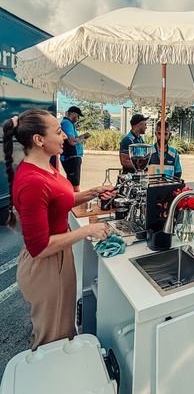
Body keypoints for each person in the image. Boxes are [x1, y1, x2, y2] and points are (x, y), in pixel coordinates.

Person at [3, 109, 115, 350]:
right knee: (51, 340)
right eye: (58, 131)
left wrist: (92, 192)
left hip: (59, 257)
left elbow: (60, 201)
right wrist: (86, 232)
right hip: (46, 266)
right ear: (39, 140)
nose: (65, 136)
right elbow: (39, 247)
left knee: (62, 329)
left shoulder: (47, 167)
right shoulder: (33, 181)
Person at [60, 106, 90, 192]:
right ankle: (74, 202)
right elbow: (72, 141)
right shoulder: (67, 123)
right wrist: (83, 136)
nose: (78, 118)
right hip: (71, 157)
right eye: (78, 116)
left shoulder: (69, 124)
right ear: (72, 114)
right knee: (74, 185)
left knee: (73, 183)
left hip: (73, 157)